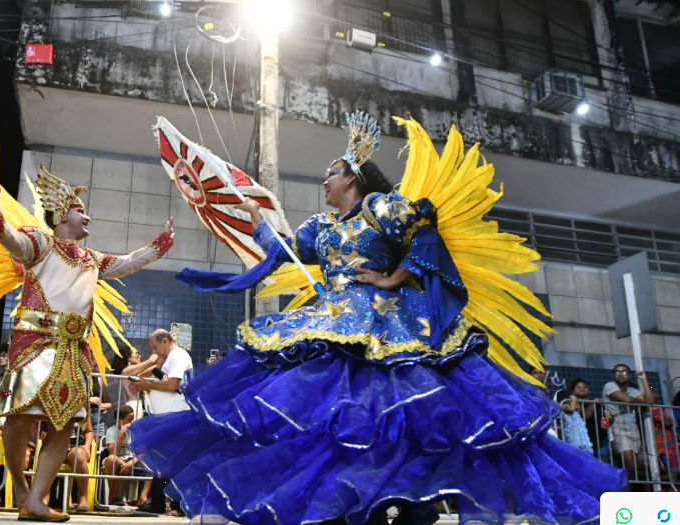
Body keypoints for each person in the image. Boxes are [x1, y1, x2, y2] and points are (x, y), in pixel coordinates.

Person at [131, 113, 626, 525]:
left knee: (400, 416)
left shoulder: (380, 209)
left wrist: (392, 280)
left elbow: (426, 227)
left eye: (332, 171)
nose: (324, 179)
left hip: (388, 325)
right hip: (326, 322)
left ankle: (411, 500)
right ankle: (346, 503)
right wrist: (247, 211)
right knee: (330, 419)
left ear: (353, 177)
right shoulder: (318, 228)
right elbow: (277, 251)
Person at [0, 165, 174, 522]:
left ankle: (36, 500)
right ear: (60, 215)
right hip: (34, 345)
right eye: (80, 210)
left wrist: (160, 244)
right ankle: (23, 492)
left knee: (66, 425)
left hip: (73, 352)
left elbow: (130, 262)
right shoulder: (39, 244)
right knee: (20, 418)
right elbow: (9, 238)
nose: (87, 216)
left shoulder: (92, 259)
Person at [132, 329, 191, 516]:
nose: (155, 352)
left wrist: (147, 385)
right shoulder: (170, 359)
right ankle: (158, 503)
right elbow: (165, 381)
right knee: (162, 461)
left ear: (165, 341)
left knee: (175, 462)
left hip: (176, 416)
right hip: (166, 418)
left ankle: (178, 506)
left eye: (155, 347)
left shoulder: (178, 356)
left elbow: (172, 384)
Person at [603, 363, 655, 487]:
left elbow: (650, 401)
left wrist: (644, 379)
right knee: (629, 464)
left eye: (624, 372)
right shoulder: (609, 386)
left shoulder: (633, 390)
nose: (620, 374)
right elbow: (628, 400)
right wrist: (641, 401)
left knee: (640, 467)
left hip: (633, 429)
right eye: (617, 372)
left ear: (630, 375)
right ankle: (626, 492)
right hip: (618, 428)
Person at [102, 405, 149, 506]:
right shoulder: (111, 431)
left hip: (134, 460)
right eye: (129, 420)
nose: (132, 422)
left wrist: (131, 463)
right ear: (120, 421)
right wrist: (122, 434)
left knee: (152, 461)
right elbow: (113, 454)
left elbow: (143, 452)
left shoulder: (137, 431)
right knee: (111, 459)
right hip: (119, 459)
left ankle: (143, 498)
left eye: (133, 419)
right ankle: (114, 496)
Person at [563, 379, 612, 461]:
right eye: (579, 387)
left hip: (601, 440)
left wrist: (610, 418)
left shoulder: (598, 403)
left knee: (603, 467)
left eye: (585, 387)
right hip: (585, 442)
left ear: (589, 390)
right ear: (574, 392)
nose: (582, 389)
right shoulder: (573, 404)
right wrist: (593, 403)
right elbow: (585, 416)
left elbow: (607, 421)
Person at [558, 381, 594, 454]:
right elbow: (571, 409)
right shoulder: (563, 406)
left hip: (578, 434)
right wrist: (574, 399)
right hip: (572, 437)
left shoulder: (574, 410)